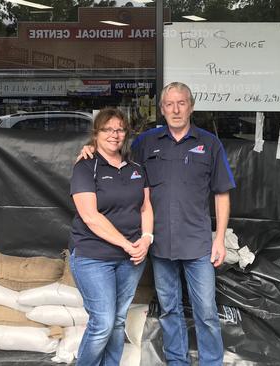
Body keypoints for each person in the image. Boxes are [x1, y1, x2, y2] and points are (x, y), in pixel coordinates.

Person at [80, 82, 236, 365]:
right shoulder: (145, 143)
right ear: (161, 109)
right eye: (169, 104)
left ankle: (212, 362)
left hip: (198, 243)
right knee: (169, 309)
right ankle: (177, 361)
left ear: (191, 106)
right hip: (159, 243)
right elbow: (114, 155)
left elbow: (222, 193)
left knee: (207, 312)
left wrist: (219, 238)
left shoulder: (210, 144)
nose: (175, 109)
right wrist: (90, 147)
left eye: (182, 103)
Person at [69, 107, 154, 366]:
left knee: (118, 321)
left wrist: (147, 237)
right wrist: (128, 245)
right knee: (103, 323)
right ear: (96, 134)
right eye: (108, 129)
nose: (114, 135)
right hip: (93, 257)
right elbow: (90, 216)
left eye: (119, 129)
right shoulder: (86, 167)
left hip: (131, 259)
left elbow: (146, 207)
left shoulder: (137, 168)